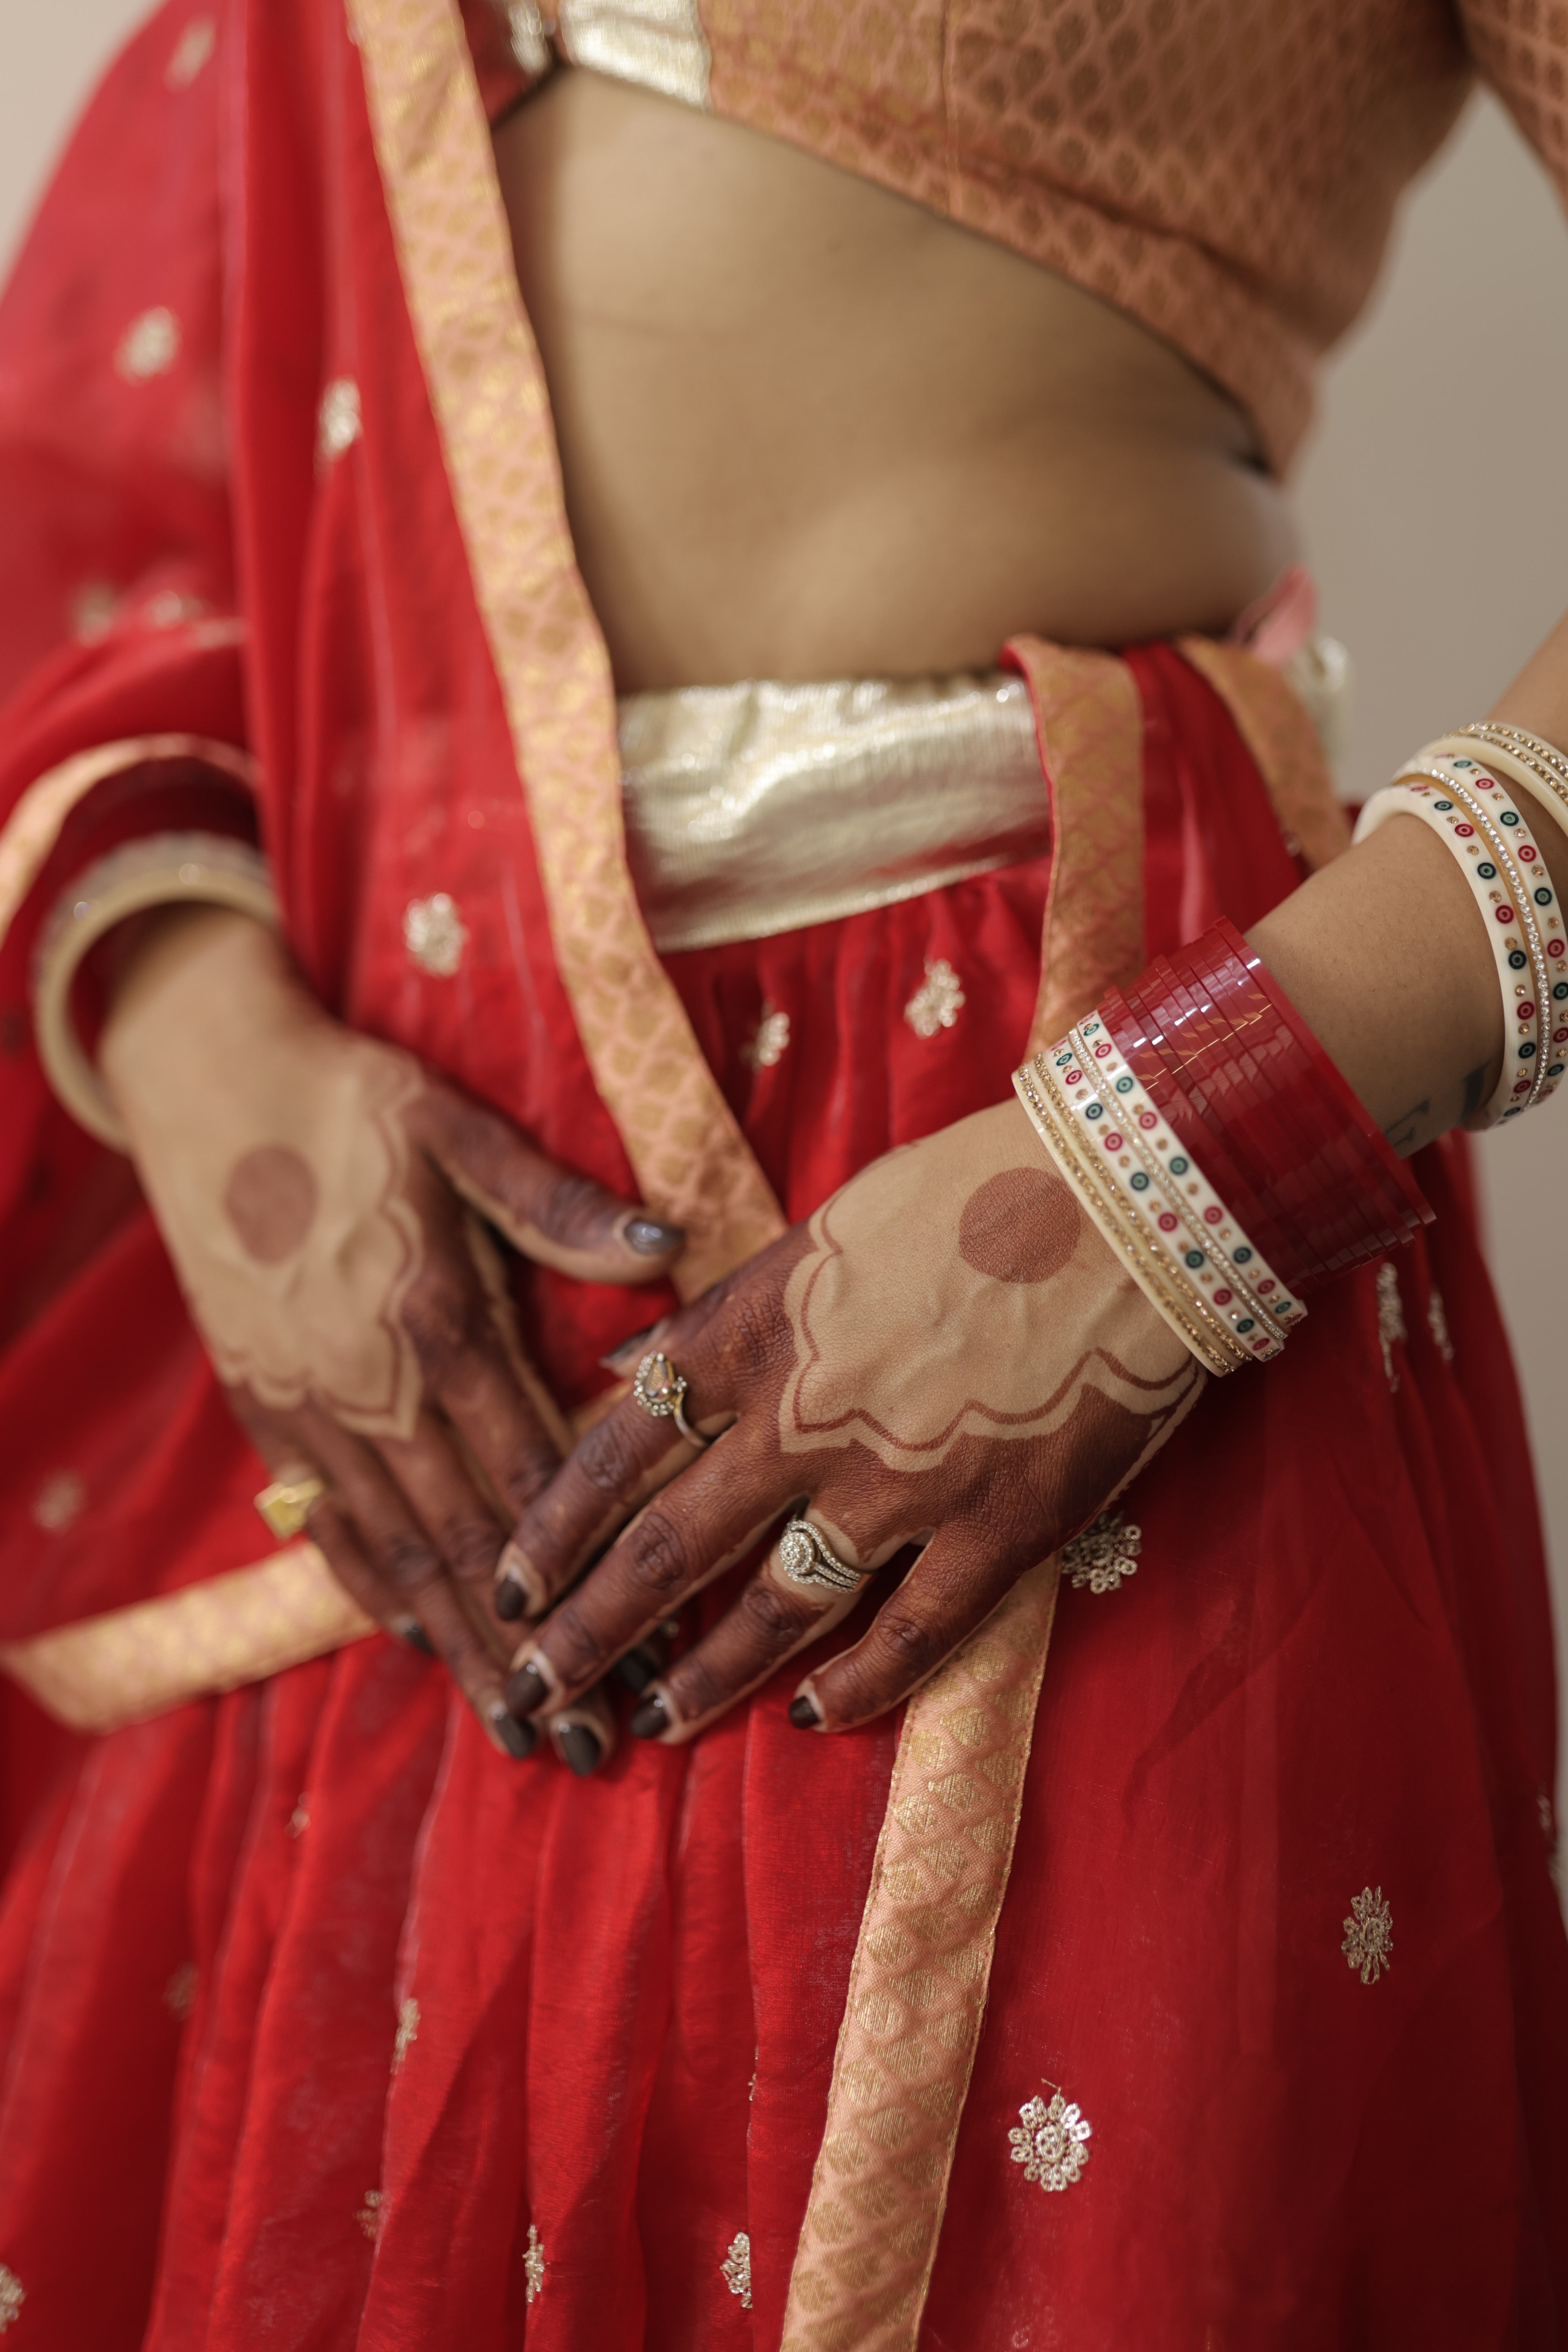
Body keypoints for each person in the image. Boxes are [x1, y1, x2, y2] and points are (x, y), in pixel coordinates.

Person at [0, 0, 1564, 2342]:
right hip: (389, 1319)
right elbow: (126, 434)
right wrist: (200, 1034)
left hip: (1047, 1205)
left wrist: (1185, 1161)